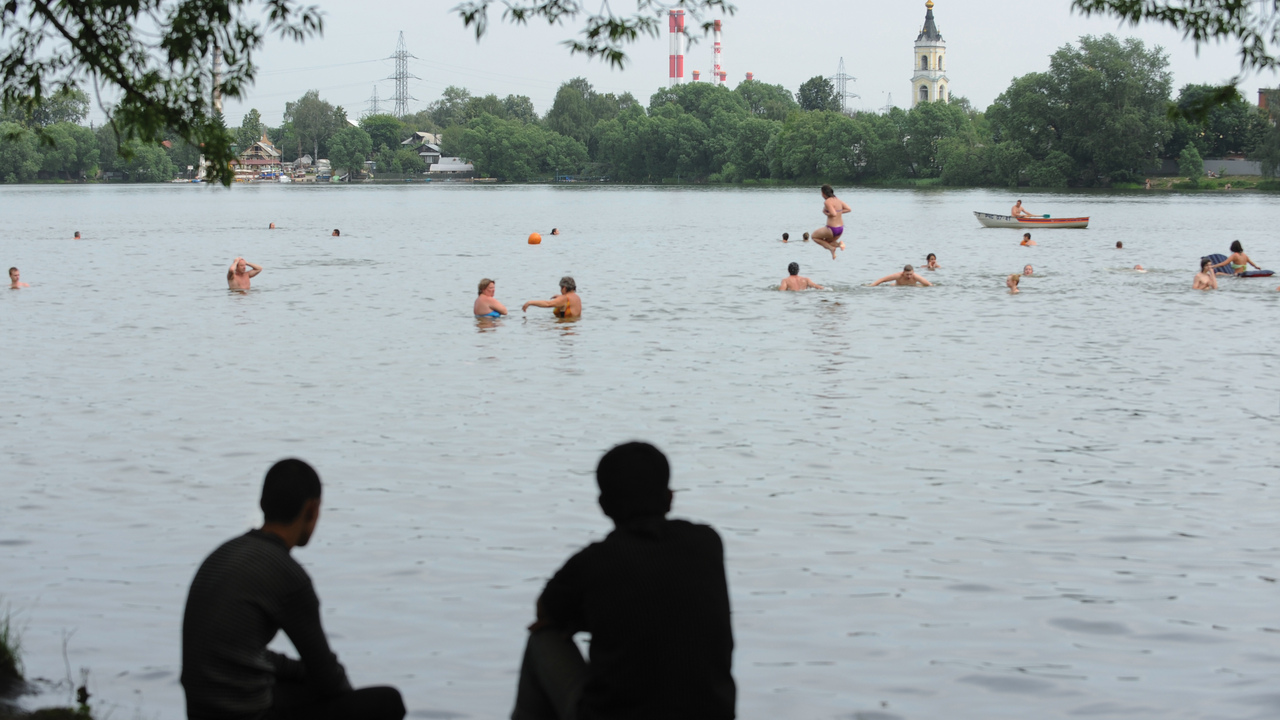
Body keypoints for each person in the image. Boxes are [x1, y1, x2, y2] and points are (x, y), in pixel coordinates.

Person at [510, 442, 735, 720]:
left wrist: (581, 619)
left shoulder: (593, 562)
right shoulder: (707, 544)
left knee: (542, 640)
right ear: (669, 498)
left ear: (604, 506)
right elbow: (661, 598)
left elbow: (545, 612)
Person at [181, 459, 406, 720]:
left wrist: (303, 673)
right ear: (312, 510)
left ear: (262, 504)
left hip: (202, 712)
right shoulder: (287, 575)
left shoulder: (222, 555)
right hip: (247, 714)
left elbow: (242, 653)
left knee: (307, 684)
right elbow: (329, 679)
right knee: (388, 702)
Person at [810, 185, 851, 260]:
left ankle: (831, 249)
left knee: (814, 236)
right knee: (827, 242)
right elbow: (848, 209)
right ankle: (839, 244)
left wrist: (826, 213)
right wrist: (839, 212)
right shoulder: (838, 200)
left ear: (823, 193)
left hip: (831, 229)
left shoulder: (827, 202)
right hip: (840, 229)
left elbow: (833, 214)